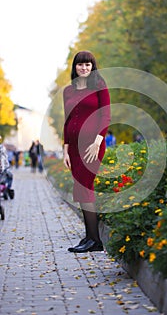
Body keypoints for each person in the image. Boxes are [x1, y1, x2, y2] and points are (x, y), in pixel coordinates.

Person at [63, 50, 111, 253]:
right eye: (80, 65)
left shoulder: (99, 86)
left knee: (85, 187)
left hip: (92, 145)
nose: (84, 68)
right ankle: (89, 237)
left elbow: (106, 116)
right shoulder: (68, 91)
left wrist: (98, 142)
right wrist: (65, 149)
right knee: (80, 190)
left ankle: (96, 241)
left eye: (88, 65)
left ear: (93, 67)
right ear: (75, 67)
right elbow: (67, 120)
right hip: (73, 147)